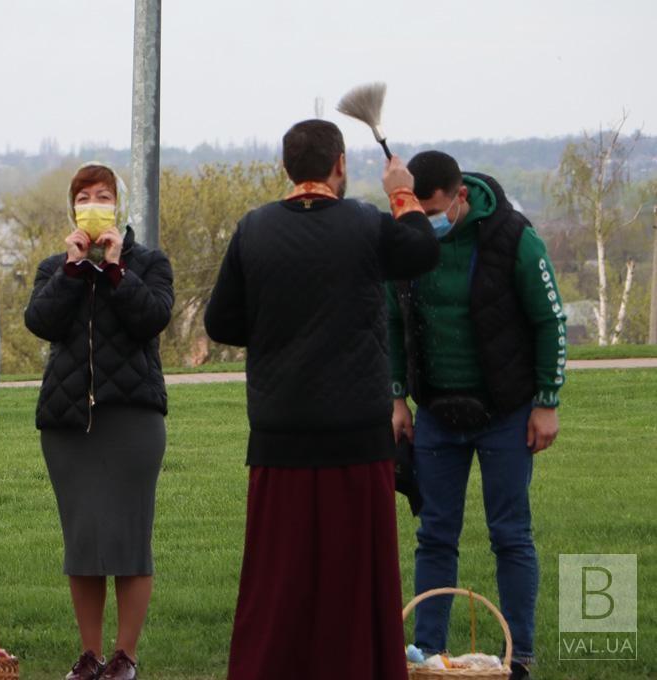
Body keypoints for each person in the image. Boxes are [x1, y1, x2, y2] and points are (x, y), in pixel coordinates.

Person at [204, 120, 440, 680]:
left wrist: (273, 328)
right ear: (339, 164)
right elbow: (422, 251)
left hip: (279, 432)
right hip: (355, 434)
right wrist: (401, 190)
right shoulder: (363, 223)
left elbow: (220, 321)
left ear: (288, 168)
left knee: (278, 581)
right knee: (353, 578)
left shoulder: (254, 228)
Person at [390, 151, 565, 680]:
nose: (428, 222)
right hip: (438, 411)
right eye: (417, 212)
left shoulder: (515, 237)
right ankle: (427, 654)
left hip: (507, 411)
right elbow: (392, 321)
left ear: (460, 195)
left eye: (436, 210)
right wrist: (398, 398)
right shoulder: (408, 240)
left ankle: (521, 656)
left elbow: (550, 321)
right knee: (435, 534)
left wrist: (547, 402)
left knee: (509, 532)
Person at [24, 162, 174, 680]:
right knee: (83, 542)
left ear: (118, 205)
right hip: (68, 426)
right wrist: (73, 269)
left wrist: (114, 269)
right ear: (72, 209)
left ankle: (124, 657)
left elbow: (152, 319)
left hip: (132, 421)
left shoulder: (148, 263)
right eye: (84, 196)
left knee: (130, 540)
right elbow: (40, 322)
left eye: (103, 195)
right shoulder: (54, 268)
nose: (93, 203)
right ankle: (89, 656)